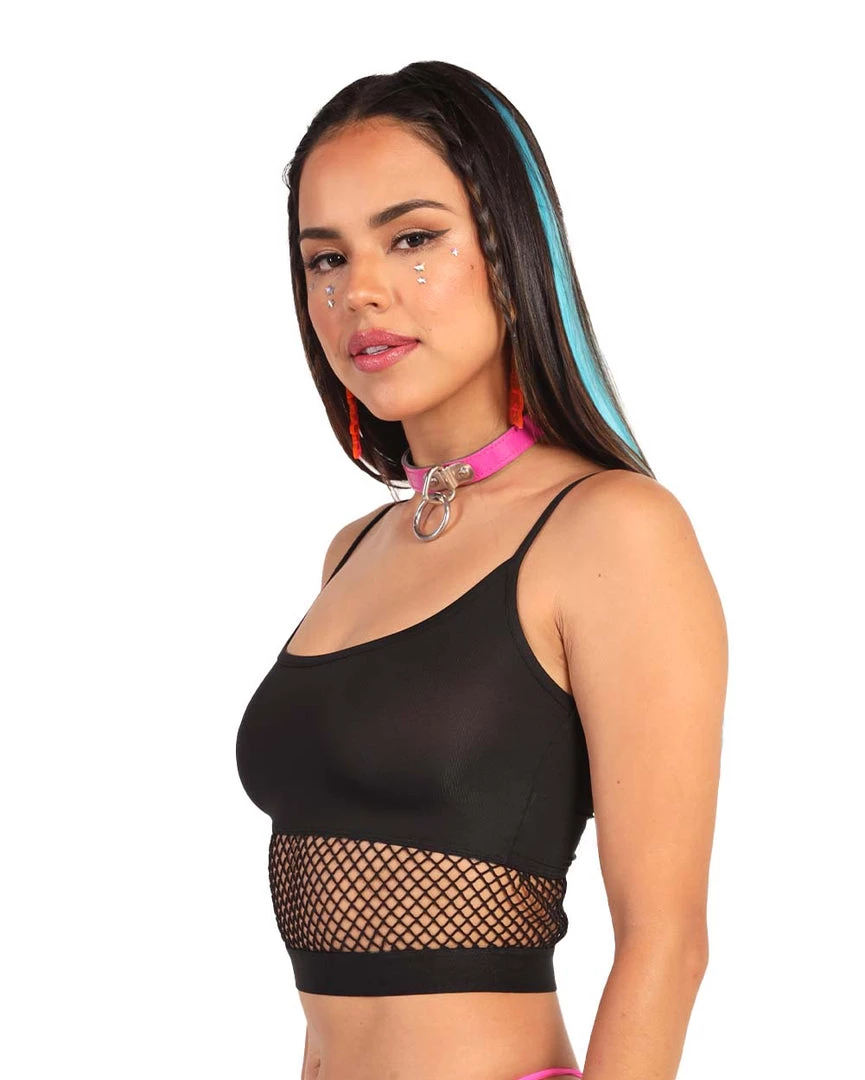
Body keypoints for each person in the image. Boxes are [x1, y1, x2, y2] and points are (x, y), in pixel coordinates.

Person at [235, 60, 727, 1080]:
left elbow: (666, 944)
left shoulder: (611, 530)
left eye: (413, 238)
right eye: (325, 258)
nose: (359, 290)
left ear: (510, 248)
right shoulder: (353, 550)